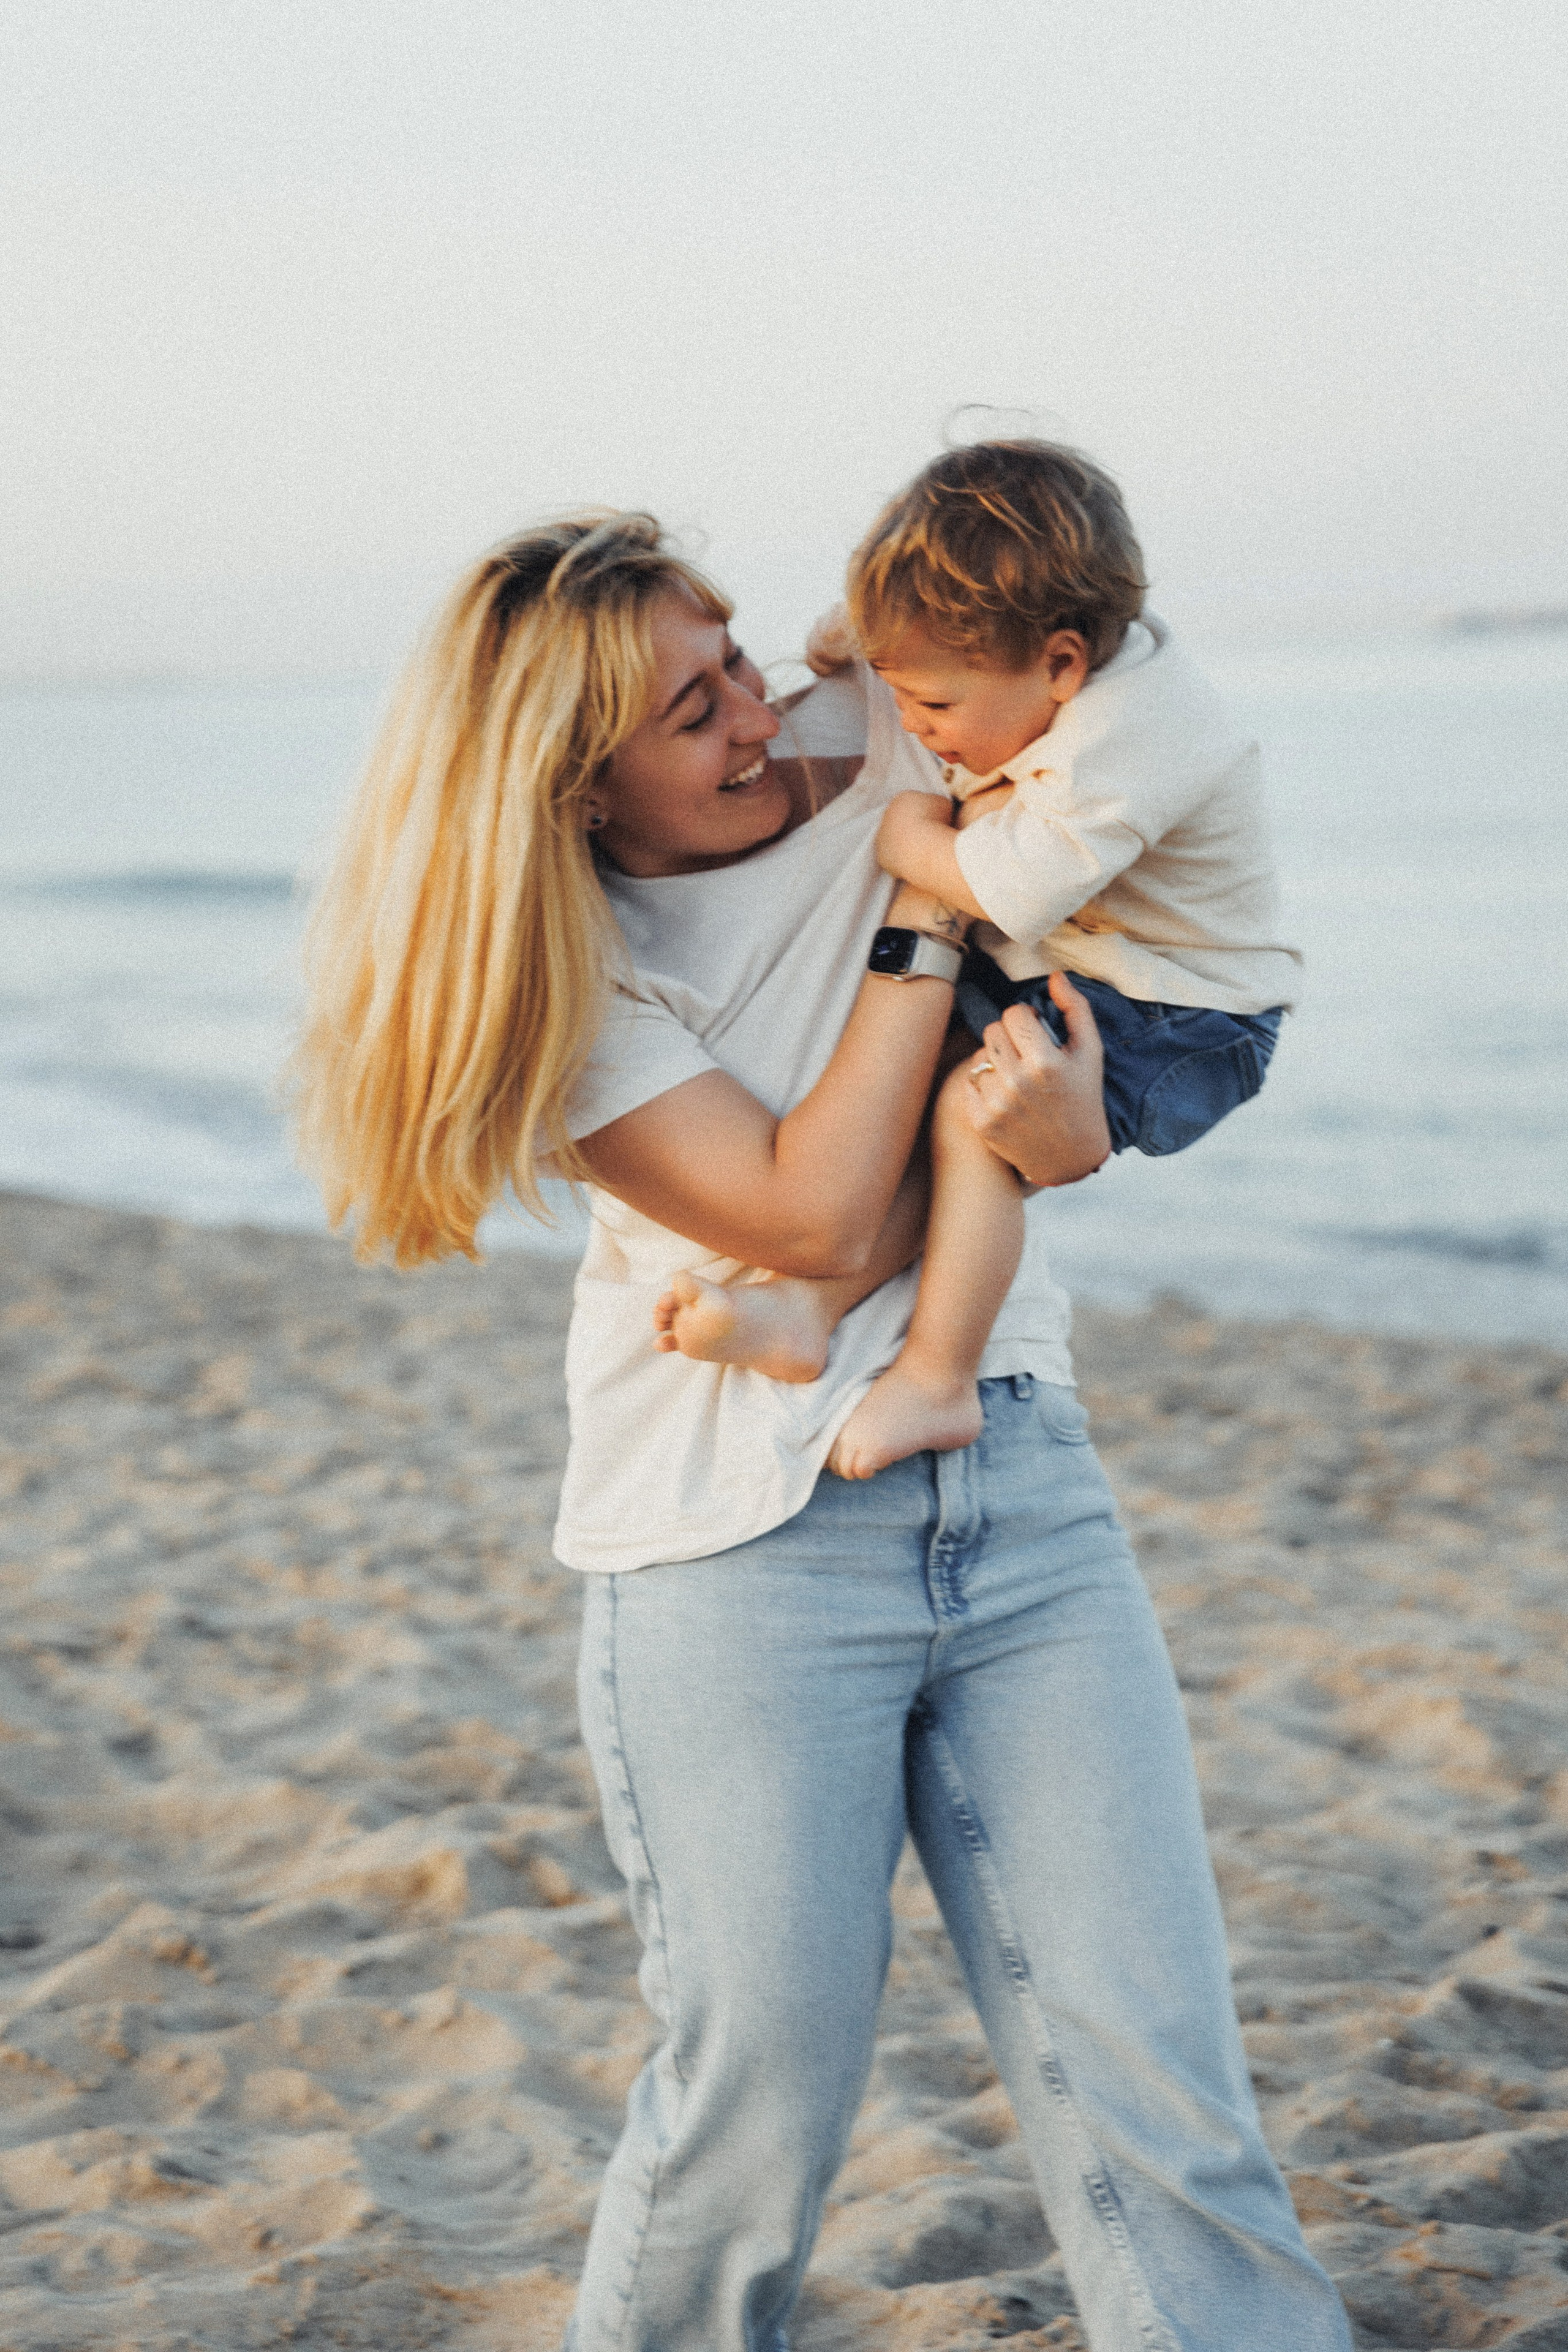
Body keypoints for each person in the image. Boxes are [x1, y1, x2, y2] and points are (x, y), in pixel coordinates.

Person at [290, 511, 1350, 2352]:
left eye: (739, 662)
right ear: (572, 785)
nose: (763, 720)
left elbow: (1082, 668)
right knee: (755, 2107)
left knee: (1162, 2083)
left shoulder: (877, 732)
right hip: (739, 1556)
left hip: (1015, 1480)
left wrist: (1081, 1113)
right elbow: (815, 1218)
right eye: (691, 714)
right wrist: (943, 905)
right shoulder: (578, 987)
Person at [668, 440, 1302, 1482]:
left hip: (1187, 1017)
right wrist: (864, 641)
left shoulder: (1132, 742)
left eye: (936, 708)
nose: (912, 726)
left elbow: (1002, 886)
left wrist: (910, 833)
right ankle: (810, 1306)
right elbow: (919, 662)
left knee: (974, 1111)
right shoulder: (1036, 663)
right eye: (899, 693)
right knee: (919, 1080)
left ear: (1060, 664)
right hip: (1102, 971)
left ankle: (938, 1377)